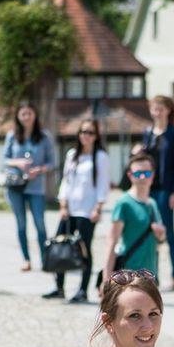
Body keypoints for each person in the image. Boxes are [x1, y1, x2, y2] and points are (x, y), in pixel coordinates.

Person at [44, 119, 110, 304]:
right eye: (82, 132)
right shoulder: (73, 155)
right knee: (60, 246)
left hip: (87, 211)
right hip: (69, 209)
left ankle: (82, 290)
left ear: (96, 136)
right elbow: (66, 182)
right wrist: (63, 205)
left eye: (89, 132)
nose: (85, 136)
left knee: (83, 250)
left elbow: (103, 185)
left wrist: (98, 207)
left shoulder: (100, 157)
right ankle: (59, 286)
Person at [3, 102, 56, 272]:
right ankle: (26, 259)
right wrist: (18, 163)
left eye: (29, 113)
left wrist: (39, 169)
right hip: (16, 186)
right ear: (18, 116)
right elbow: (5, 159)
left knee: (40, 224)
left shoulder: (44, 136)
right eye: (23, 114)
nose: (26, 117)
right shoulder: (12, 136)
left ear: (35, 115)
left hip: (36, 187)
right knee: (21, 224)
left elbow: (52, 162)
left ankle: (44, 258)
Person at [101, 153, 166, 286]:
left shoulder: (152, 204)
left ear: (152, 176)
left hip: (150, 276)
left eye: (147, 173)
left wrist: (161, 234)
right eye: (138, 173)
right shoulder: (124, 203)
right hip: (128, 277)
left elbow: (160, 240)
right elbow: (111, 241)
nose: (142, 177)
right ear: (130, 175)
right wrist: (106, 279)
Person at [141, 95, 174, 290]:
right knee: (151, 232)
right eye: (154, 108)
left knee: (168, 231)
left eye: (160, 108)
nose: (157, 112)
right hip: (149, 188)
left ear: (168, 110)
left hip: (166, 189)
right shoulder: (148, 133)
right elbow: (144, 159)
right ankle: (152, 275)